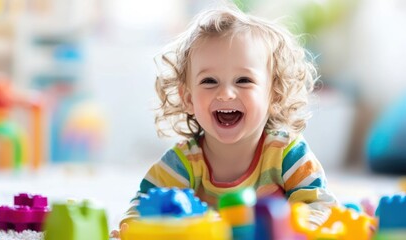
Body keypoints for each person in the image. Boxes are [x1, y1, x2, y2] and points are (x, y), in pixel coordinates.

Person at [111, 3, 338, 238]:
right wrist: (131, 230)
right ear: (188, 98)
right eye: (209, 81)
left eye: (243, 80)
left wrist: (301, 231)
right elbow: (143, 206)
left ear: (275, 95)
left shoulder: (288, 154)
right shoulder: (182, 164)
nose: (226, 93)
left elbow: (318, 205)